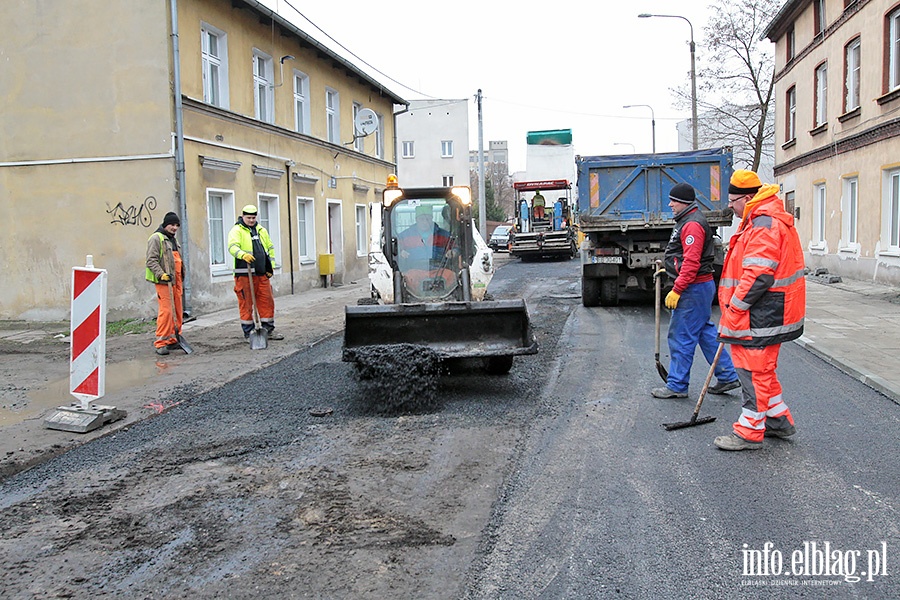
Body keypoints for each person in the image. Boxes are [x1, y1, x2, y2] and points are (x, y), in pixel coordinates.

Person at [714, 170, 806, 451]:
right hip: (763, 312)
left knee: (753, 372)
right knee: (761, 371)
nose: (730, 205)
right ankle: (777, 421)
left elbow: (758, 275)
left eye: (734, 200)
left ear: (749, 197)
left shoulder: (763, 224)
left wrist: (734, 307)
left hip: (758, 314)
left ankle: (749, 431)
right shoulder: (760, 219)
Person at [652, 183, 740, 399]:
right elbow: (686, 258)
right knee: (704, 332)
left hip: (693, 288)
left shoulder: (691, 225)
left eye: (673, 200)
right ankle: (727, 376)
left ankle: (677, 385)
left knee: (681, 335)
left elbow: (691, 262)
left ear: (683, 202)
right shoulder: (689, 221)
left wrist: (678, 288)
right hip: (699, 286)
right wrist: (670, 267)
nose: (670, 204)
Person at [227, 204, 284, 341]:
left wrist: (270, 268)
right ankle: (249, 332)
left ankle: (268, 330)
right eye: (249, 218)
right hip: (245, 273)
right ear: (243, 216)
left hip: (261, 273)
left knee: (266, 301)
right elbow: (232, 247)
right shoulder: (237, 230)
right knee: (246, 303)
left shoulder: (261, 230)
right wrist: (242, 254)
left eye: (253, 218)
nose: (251, 220)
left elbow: (269, 249)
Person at [145, 212, 185, 356]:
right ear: (165, 224)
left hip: (176, 280)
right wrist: (161, 274)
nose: (174, 228)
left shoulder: (173, 240)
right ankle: (161, 342)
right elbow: (151, 260)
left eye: (176, 225)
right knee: (167, 311)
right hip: (164, 281)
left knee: (178, 310)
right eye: (172, 225)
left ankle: (174, 338)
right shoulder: (156, 238)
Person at [397, 204, 453, 268]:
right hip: (413, 270)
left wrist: (453, 252)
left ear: (432, 219)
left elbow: (455, 245)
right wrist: (400, 252)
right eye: (422, 219)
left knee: (450, 276)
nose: (425, 222)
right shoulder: (405, 236)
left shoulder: (444, 235)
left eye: (427, 219)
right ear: (416, 219)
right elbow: (395, 248)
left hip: (439, 270)